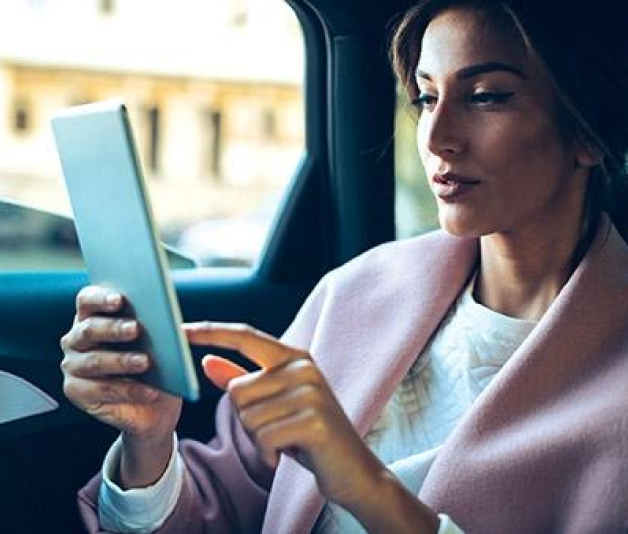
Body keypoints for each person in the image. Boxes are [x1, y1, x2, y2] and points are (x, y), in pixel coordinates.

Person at [60, 0, 628, 532]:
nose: (436, 137)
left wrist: (365, 485)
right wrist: (151, 441)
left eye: (485, 96)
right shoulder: (356, 294)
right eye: (427, 98)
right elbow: (224, 509)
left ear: (587, 132)